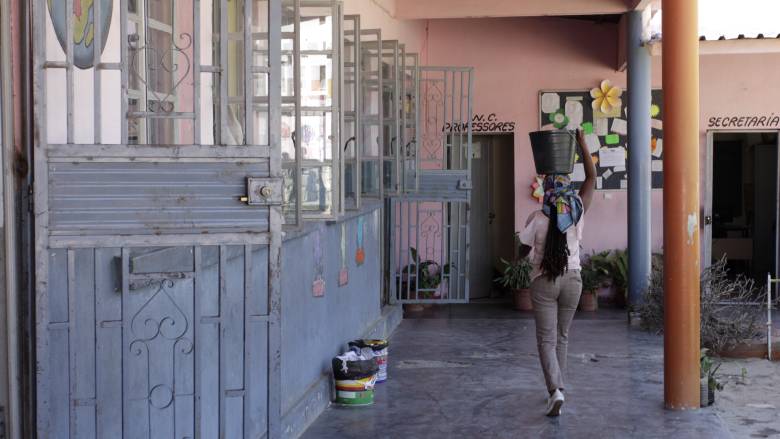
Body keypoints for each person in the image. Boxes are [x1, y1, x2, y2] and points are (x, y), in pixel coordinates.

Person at [518, 128, 596, 417]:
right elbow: (591, 178)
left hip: (544, 283)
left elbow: (522, 249)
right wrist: (582, 143)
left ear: (547, 189)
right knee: (562, 336)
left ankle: (554, 390)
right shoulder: (578, 210)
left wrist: (519, 258)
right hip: (574, 281)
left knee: (546, 340)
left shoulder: (537, 218)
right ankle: (558, 388)